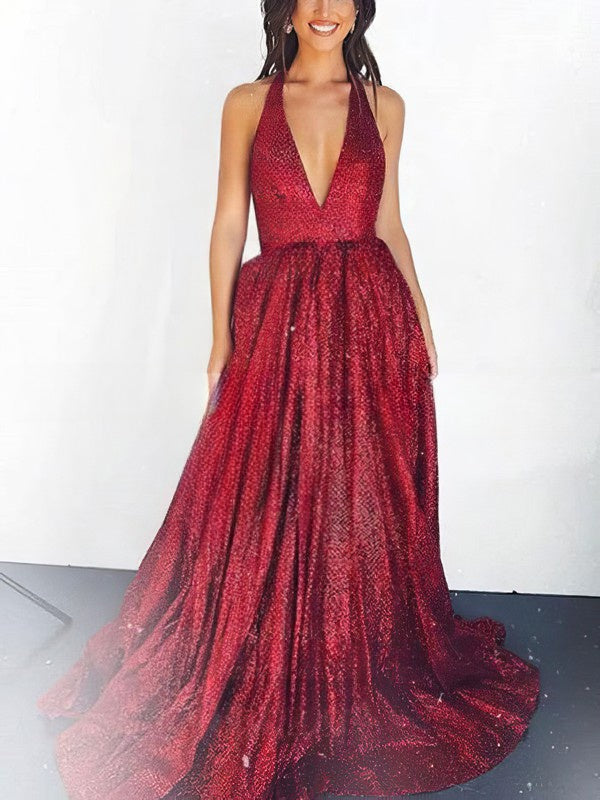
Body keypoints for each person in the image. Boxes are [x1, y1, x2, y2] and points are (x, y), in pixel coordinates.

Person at [37, 2, 540, 798]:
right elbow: (228, 223)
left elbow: (389, 223)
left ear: (360, 10)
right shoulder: (246, 102)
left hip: (370, 316)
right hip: (276, 317)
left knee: (356, 489)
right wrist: (220, 337)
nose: (327, 9)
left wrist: (422, 318)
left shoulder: (385, 105)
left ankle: (342, 644)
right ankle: (269, 634)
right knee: (264, 483)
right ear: (286, 9)